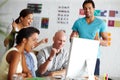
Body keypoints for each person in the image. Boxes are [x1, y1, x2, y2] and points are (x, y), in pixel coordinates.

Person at [3, 8, 48, 77]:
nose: (31, 21)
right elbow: (5, 43)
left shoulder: (26, 30)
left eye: (32, 19)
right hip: (12, 55)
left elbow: (28, 47)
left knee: (31, 58)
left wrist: (40, 42)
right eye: (29, 18)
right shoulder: (12, 27)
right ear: (21, 18)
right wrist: (13, 31)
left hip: (22, 54)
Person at [70, 0, 108, 79]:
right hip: (79, 57)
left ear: (94, 9)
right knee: (78, 78)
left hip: (94, 58)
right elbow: (71, 40)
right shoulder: (78, 22)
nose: (87, 10)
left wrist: (99, 41)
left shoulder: (101, 23)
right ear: (83, 10)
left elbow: (106, 42)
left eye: (89, 8)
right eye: (85, 8)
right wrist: (72, 38)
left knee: (93, 78)